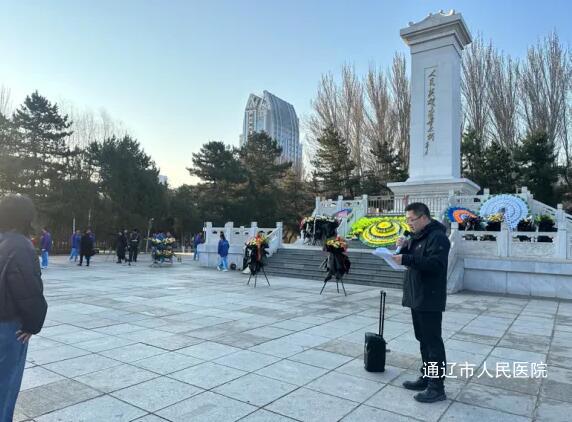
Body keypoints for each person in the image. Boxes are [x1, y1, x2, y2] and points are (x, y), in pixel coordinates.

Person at [392, 202, 450, 403]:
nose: (409, 223)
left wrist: (407, 259)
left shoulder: (437, 237)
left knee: (433, 342)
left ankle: (437, 387)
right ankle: (427, 377)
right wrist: (405, 249)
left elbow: (436, 264)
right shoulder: (417, 237)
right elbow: (415, 258)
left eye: (412, 219)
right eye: (407, 220)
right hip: (417, 295)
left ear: (424, 217)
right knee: (423, 340)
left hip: (429, 297)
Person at [0, 195, 48, 421]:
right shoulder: (20, 246)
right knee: (5, 384)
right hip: (8, 326)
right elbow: (28, 290)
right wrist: (32, 324)